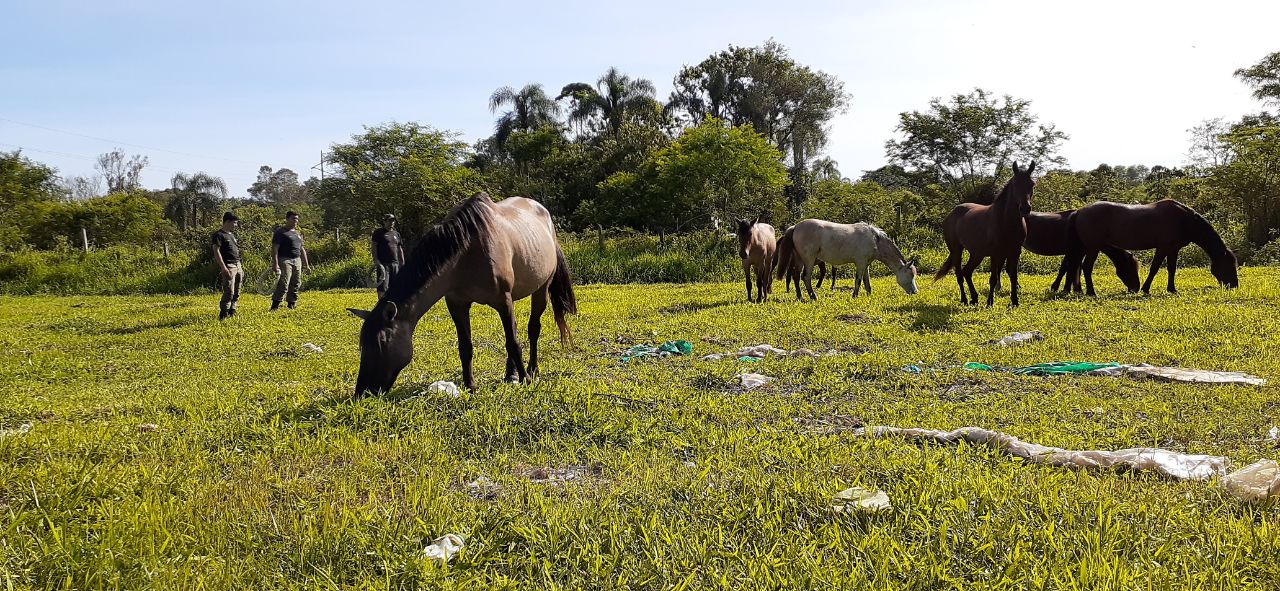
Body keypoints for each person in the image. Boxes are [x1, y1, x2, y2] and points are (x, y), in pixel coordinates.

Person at [270, 210, 312, 310]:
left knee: (296, 282)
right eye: (293, 218)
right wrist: (275, 264)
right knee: (284, 283)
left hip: (297, 260)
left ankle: (291, 304)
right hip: (285, 260)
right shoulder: (280, 232)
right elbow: (274, 248)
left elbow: (302, 249)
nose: (295, 221)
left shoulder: (297, 233)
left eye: (297, 219)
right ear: (287, 219)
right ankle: (275, 306)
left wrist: (306, 265)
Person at [212, 211, 243, 320]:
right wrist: (223, 267)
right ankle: (223, 312)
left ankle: (232, 309)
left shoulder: (231, 235)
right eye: (234, 223)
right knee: (229, 290)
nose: (236, 225)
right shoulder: (219, 235)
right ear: (228, 222)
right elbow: (216, 251)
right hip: (229, 265)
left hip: (237, 264)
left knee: (237, 289)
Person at [371, 213, 405, 298]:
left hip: (395, 264)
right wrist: (376, 260)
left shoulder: (396, 234)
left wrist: (402, 262)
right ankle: (381, 306)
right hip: (383, 264)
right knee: (383, 287)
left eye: (393, 221)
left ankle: (393, 306)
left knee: (395, 287)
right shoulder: (378, 232)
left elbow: (399, 248)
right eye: (390, 220)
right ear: (384, 221)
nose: (392, 222)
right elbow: (374, 246)